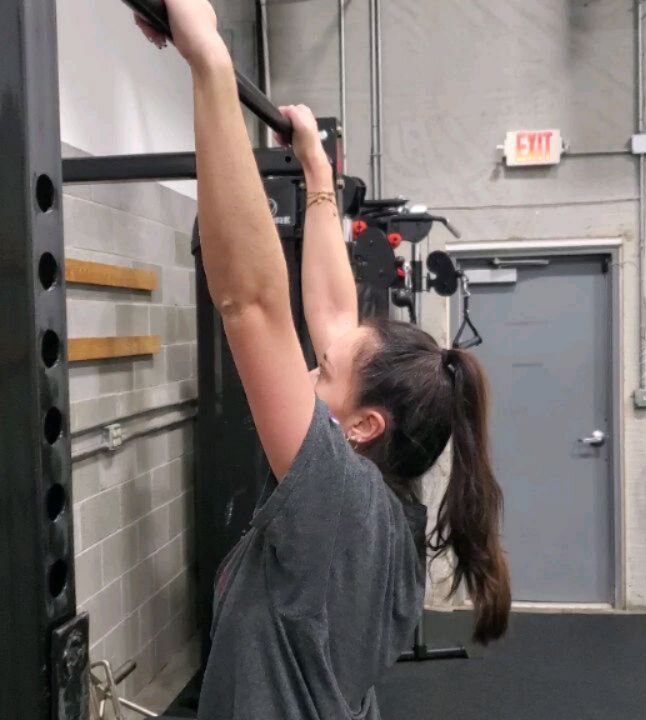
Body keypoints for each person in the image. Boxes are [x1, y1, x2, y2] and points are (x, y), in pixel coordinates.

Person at [136, 3, 510, 718]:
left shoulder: (338, 500)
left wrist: (209, 61)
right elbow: (335, 319)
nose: (310, 367)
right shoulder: (388, 509)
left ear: (364, 424)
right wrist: (314, 170)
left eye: (325, 373)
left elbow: (250, 303)